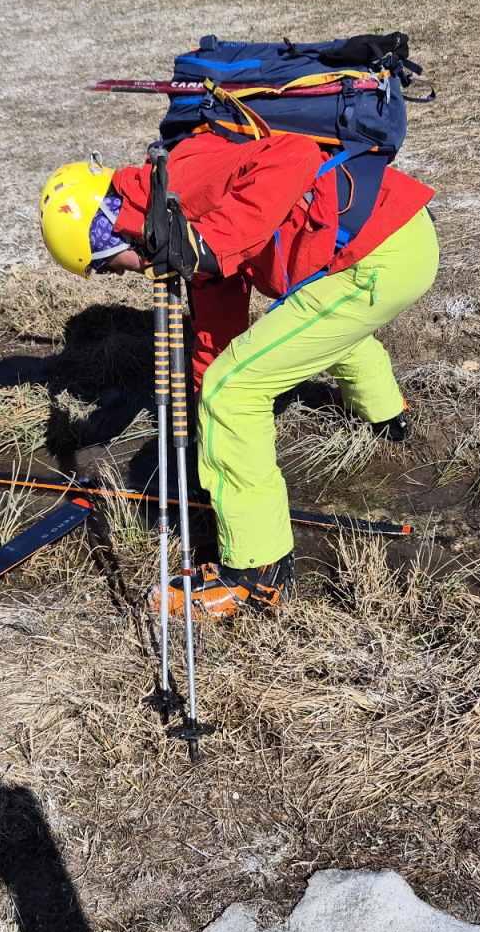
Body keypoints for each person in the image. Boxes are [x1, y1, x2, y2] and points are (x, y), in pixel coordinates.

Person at [38, 129, 437, 621]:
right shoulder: (170, 222)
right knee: (301, 334)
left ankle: (256, 572)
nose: (118, 274)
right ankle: (386, 415)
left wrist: (211, 246)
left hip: (379, 256)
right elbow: (216, 327)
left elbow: (295, 154)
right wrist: (205, 428)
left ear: (108, 234)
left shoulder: (177, 181)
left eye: (105, 266)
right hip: (371, 247)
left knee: (235, 390)